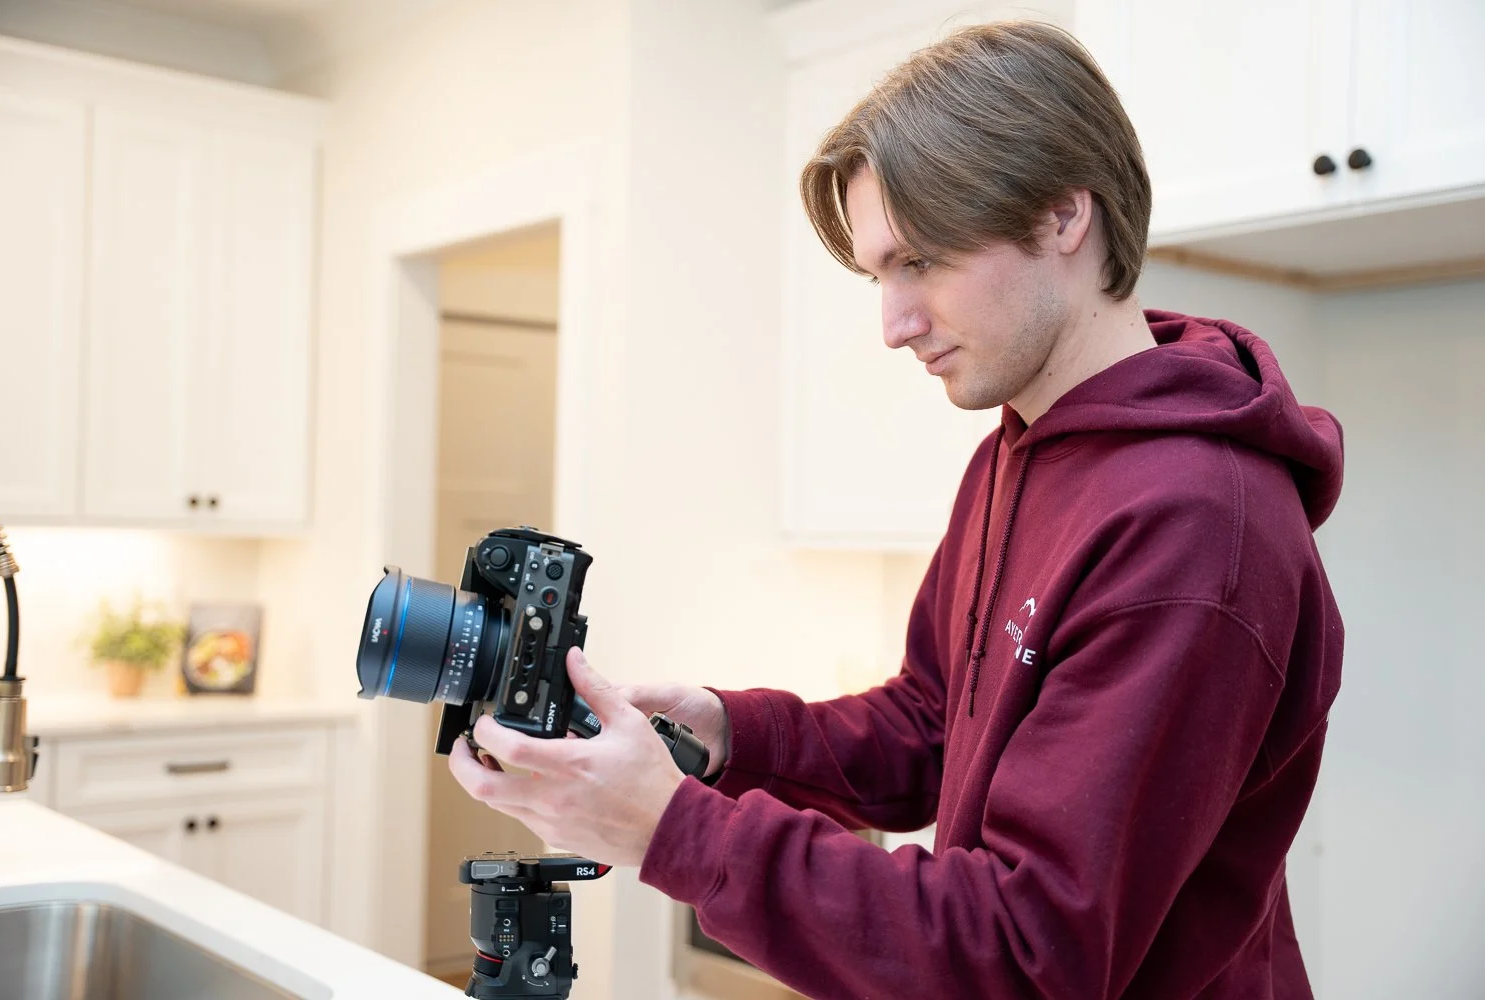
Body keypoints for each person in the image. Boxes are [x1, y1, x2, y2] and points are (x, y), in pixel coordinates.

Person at [448, 19, 1344, 1000]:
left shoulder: (1192, 527)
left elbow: (1026, 951)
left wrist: (676, 830)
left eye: (922, 261)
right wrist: (733, 735)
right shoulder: (1020, 449)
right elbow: (932, 724)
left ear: (1063, 216)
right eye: (880, 273)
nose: (893, 323)